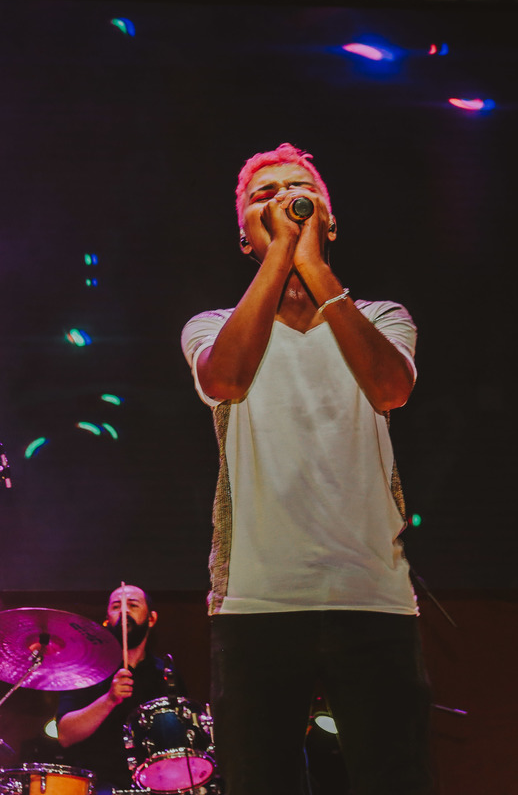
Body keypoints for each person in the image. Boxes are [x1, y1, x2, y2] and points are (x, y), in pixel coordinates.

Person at [180, 143, 433, 794]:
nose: (282, 199)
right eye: (262, 195)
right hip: (255, 602)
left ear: (329, 219)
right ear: (244, 235)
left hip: (373, 597)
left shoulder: (381, 318)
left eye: (298, 189)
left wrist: (313, 266)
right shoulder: (211, 326)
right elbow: (227, 379)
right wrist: (280, 258)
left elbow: (391, 389)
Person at [56, 584, 185, 793]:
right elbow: (65, 735)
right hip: (99, 783)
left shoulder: (166, 674)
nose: (124, 611)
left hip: (158, 783)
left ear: (151, 618)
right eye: (116, 606)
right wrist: (109, 699)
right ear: (107, 620)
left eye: (133, 605)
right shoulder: (84, 669)